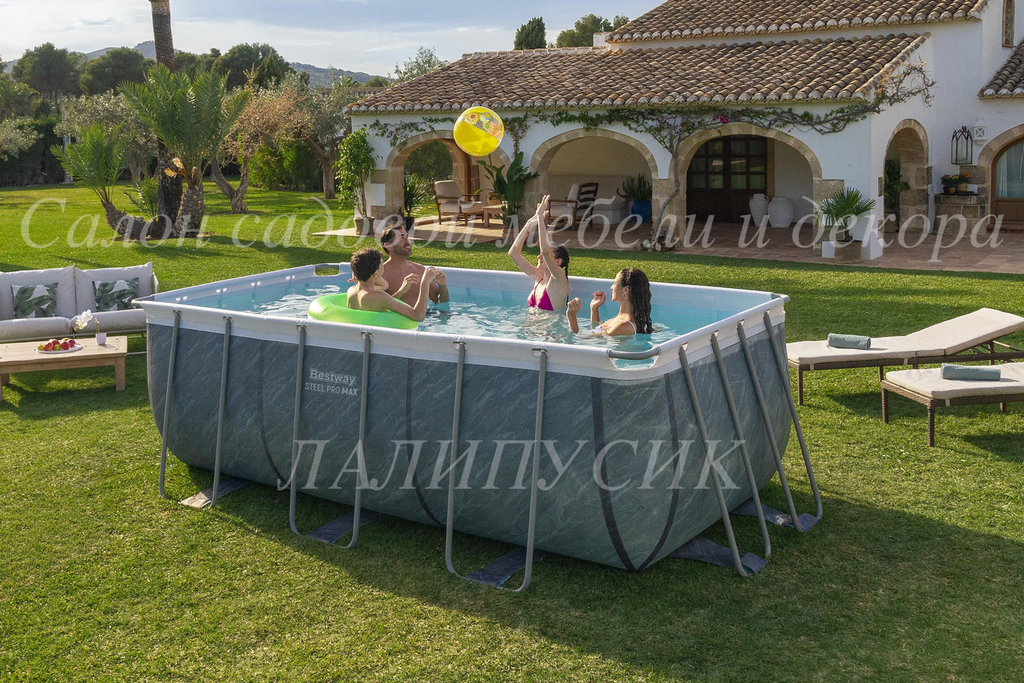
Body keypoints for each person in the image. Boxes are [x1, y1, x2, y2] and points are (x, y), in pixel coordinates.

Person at [508, 195, 570, 311]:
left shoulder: (558, 279)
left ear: (557, 261)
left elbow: (545, 252)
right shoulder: (539, 277)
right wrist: (529, 224)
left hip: (550, 324)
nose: (539, 256)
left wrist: (541, 219)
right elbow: (513, 254)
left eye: (546, 255)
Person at [347, 248, 440, 322]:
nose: (384, 268)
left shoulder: (351, 291)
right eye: (382, 266)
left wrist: (401, 291)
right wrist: (425, 282)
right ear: (375, 274)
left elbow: (384, 288)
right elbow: (418, 316)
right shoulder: (379, 296)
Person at [567, 267, 653, 336]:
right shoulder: (622, 318)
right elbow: (599, 329)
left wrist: (571, 316)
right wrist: (594, 308)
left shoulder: (624, 326)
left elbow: (580, 339)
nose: (611, 287)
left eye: (615, 283)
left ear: (626, 290)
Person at [378, 225, 449, 307]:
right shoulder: (381, 275)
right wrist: (401, 291)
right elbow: (378, 307)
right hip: (398, 315)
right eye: (401, 237)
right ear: (388, 245)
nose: (407, 241)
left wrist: (442, 285)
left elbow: (440, 303)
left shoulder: (419, 270)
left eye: (407, 237)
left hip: (427, 315)